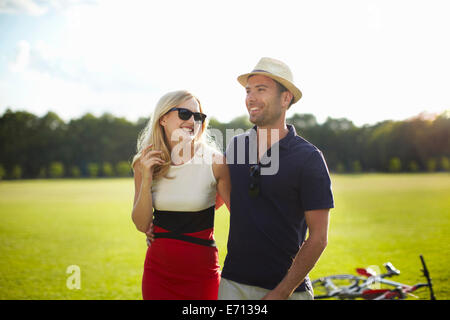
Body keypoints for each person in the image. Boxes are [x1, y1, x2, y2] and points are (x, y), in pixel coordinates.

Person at [218, 57, 334, 300]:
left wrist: (282, 292)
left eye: (261, 89)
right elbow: (225, 193)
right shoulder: (237, 145)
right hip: (232, 285)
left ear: (285, 98)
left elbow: (319, 238)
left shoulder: (309, 157)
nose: (251, 97)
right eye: (249, 91)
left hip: (288, 291)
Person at [131, 90, 231, 300]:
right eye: (185, 113)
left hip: (202, 272)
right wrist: (147, 177)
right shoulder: (144, 162)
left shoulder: (216, 161)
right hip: (158, 272)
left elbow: (231, 210)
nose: (192, 121)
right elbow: (142, 224)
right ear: (163, 118)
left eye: (198, 116)